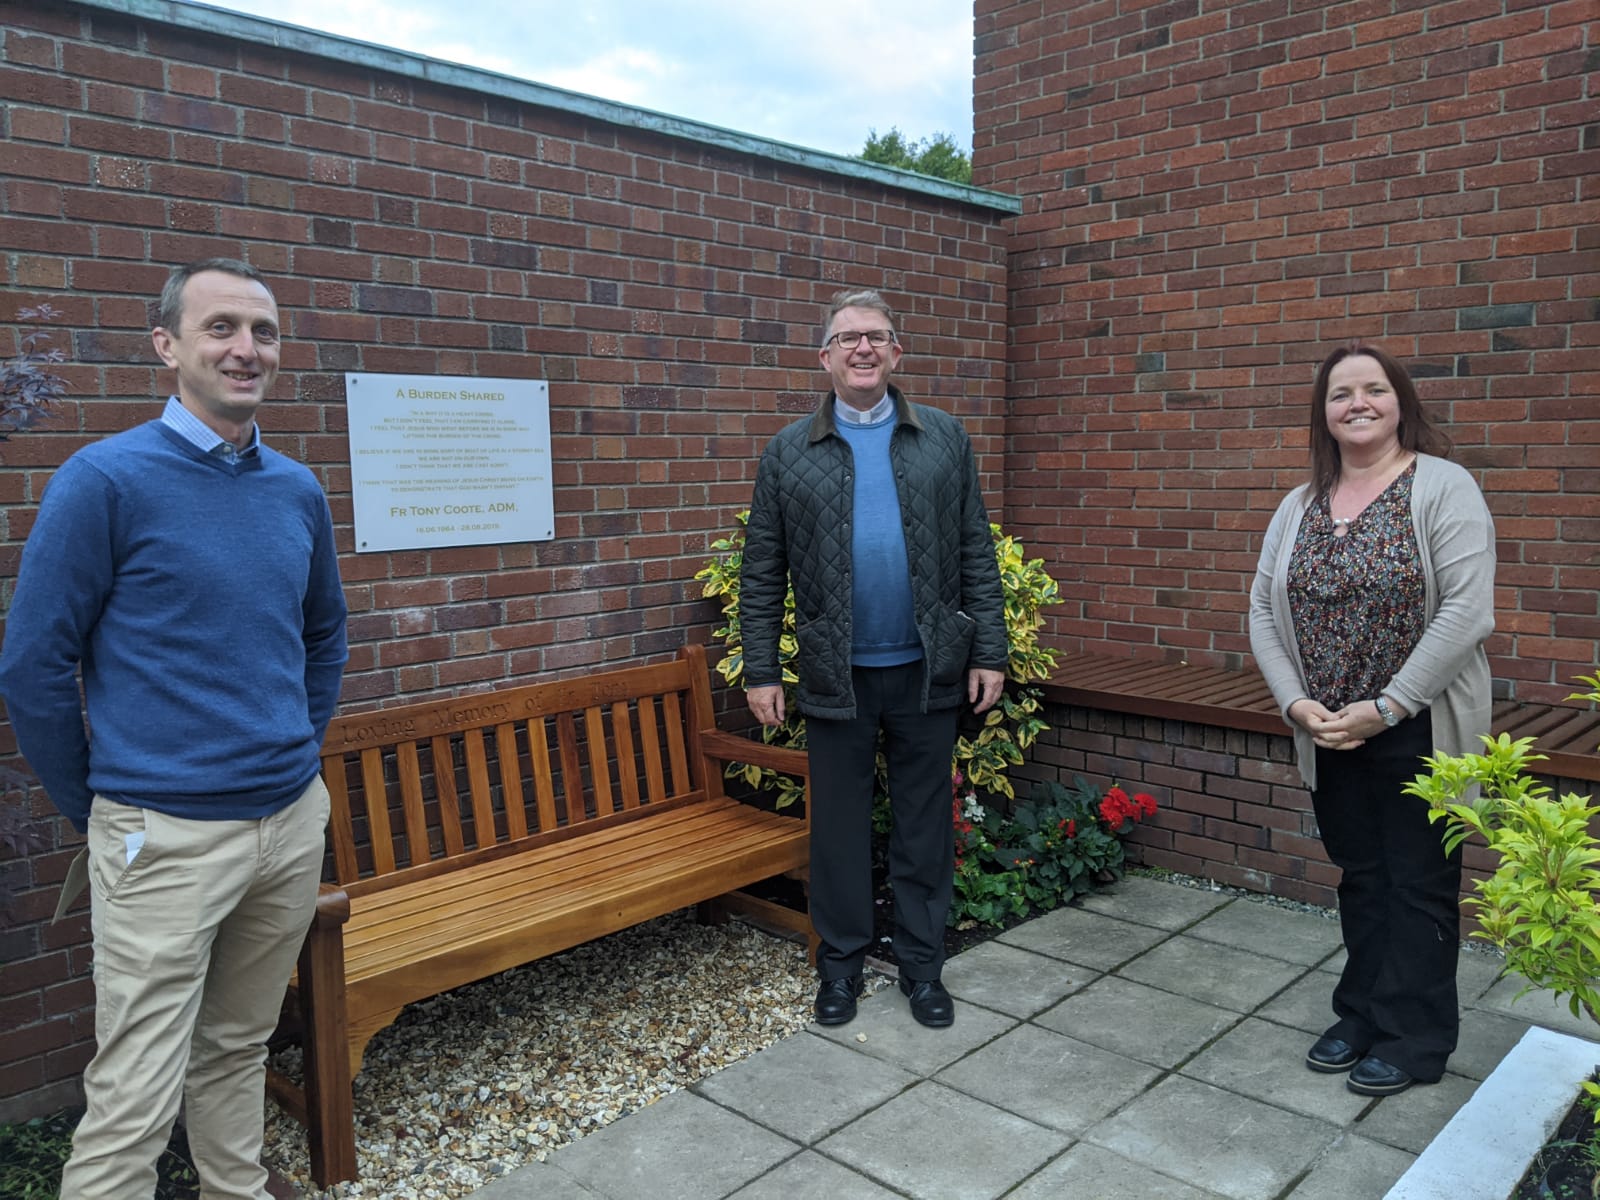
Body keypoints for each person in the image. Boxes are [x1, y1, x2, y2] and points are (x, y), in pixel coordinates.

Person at [0, 258, 348, 1198]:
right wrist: (106, 803)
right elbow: (32, 665)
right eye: (221, 328)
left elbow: (323, 631)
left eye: (263, 332)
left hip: (287, 823)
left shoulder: (294, 490)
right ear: (168, 347)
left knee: (236, 1045)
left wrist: (296, 747)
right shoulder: (104, 480)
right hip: (164, 836)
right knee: (134, 1093)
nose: (246, 349)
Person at [739, 288, 1008, 1029]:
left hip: (928, 671)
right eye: (848, 338)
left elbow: (974, 551)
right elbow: (761, 570)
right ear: (824, 357)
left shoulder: (945, 438)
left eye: (877, 337)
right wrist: (761, 668)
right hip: (835, 675)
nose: (863, 348)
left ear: (898, 352)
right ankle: (842, 968)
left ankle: (923, 970)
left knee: (923, 829)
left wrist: (989, 648)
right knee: (840, 833)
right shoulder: (790, 451)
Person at [1248, 342, 1495, 1097]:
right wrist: (1298, 705)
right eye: (1340, 394)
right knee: (1361, 877)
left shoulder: (1443, 486)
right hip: (1328, 728)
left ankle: (1415, 1037)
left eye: (1374, 390)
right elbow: (1263, 608)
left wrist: (1388, 707)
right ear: (1323, 414)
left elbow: (1467, 611)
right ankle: (1360, 1012)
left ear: (1400, 401)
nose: (1357, 403)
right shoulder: (1300, 503)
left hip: (1418, 725)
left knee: (1419, 883)